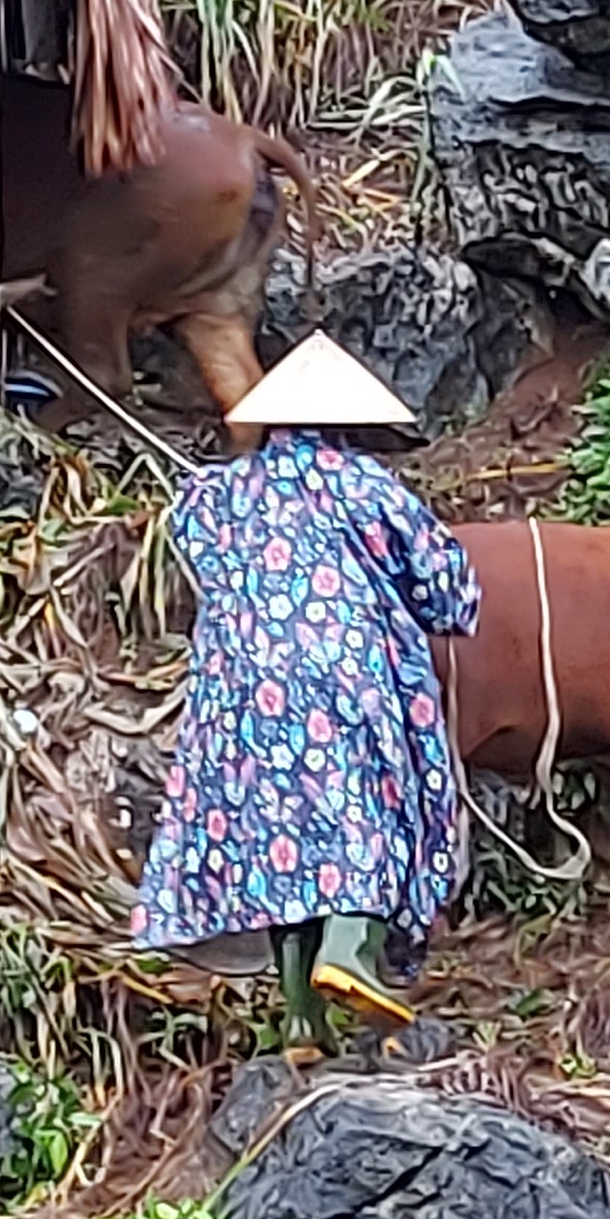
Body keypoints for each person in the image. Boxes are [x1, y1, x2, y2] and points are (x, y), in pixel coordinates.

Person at [131, 333, 486, 1061]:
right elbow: (451, 590)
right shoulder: (368, 488)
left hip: (240, 695)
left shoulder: (219, 495)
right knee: (371, 814)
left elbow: (187, 537)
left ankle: (302, 1023)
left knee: (281, 840)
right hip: (343, 675)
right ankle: (350, 954)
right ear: (350, 424)